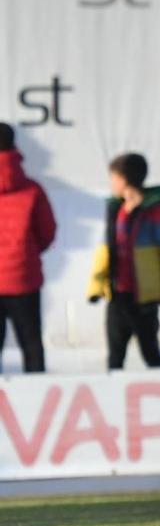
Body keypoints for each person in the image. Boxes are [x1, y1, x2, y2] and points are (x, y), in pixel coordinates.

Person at [87, 153, 160, 370]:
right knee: (115, 356)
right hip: (117, 292)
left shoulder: (158, 209)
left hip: (144, 296)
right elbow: (105, 250)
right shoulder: (114, 208)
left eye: (114, 178)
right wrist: (97, 285)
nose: (112, 183)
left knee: (151, 352)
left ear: (125, 179)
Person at [0, 122, 55, 374]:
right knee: (31, 344)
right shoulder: (32, 189)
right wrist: (27, 254)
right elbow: (47, 232)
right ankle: (37, 402)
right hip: (24, 278)